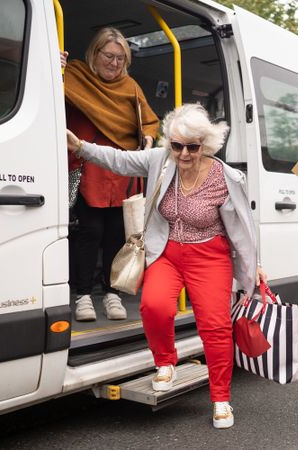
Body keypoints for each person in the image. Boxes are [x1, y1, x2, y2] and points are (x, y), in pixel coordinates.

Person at [66, 103, 267, 429]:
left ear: (206, 144)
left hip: (210, 256)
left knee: (215, 327)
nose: (184, 154)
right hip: (168, 252)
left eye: (193, 147)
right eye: (177, 145)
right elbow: (121, 160)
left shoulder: (224, 177)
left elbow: (243, 228)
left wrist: (254, 264)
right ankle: (166, 363)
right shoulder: (160, 160)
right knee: (153, 306)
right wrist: (81, 147)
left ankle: (220, 398)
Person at [63, 27, 159, 321]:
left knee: (117, 235)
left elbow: (150, 121)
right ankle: (82, 296)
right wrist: (55, 69)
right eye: (109, 56)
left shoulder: (130, 87)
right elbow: (47, 90)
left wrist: (149, 140)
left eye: (121, 58)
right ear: (94, 54)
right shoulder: (75, 75)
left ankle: (112, 294)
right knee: (89, 233)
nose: (114, 63)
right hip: (85, 166)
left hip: (121, 172)